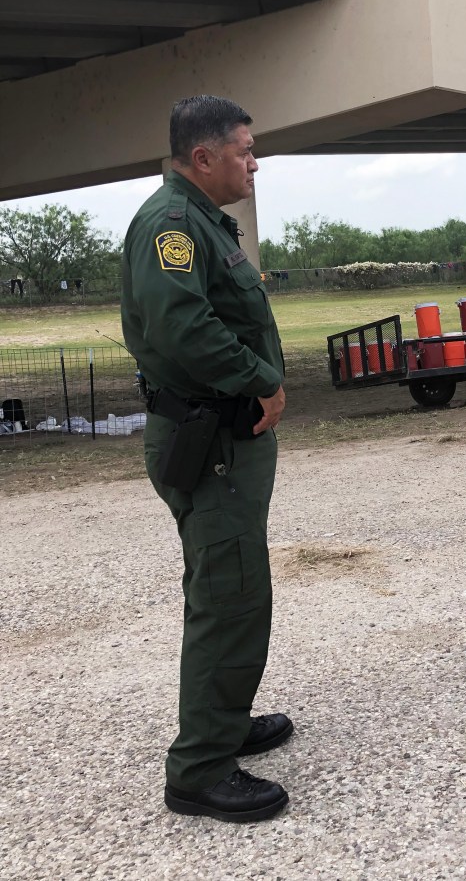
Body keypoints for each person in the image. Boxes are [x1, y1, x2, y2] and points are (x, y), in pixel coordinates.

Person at [121, 95, 292, 822]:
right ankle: (198, 771)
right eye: (245, 150)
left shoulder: (201, 222)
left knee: (234, 587)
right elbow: (185, 330)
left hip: (225, 439)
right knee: (229, 596)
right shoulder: (172, 226)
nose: (254, 163)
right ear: (204, 158)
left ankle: (224, 723)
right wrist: (264, 380)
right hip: (211, 439)